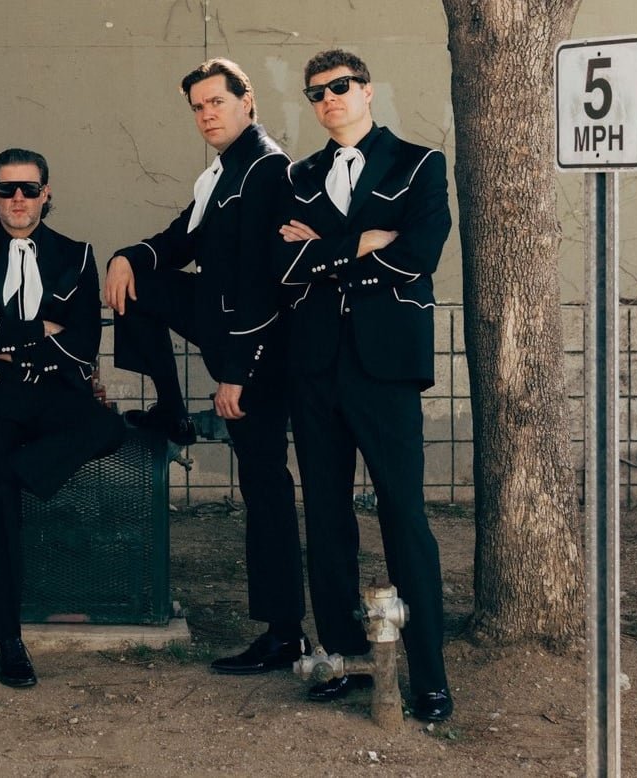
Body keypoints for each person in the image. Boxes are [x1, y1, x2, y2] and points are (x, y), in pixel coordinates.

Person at [104, 58, 310, 675]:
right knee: (137, 282)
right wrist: (127, 255)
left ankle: (284, 632)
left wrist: (236, 373)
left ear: (247, 101)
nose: (206, 115)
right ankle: (171, 411)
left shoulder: (266, 168)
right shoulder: (223, 173)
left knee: (264, 482)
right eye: (197, 107)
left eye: (217, 102)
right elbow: (179, 241)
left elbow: (264, 284)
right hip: (223, 327)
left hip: (259, 352)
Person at [274, 49, 453, 722]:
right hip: (315, 366)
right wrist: (361, 243)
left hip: (387, 366)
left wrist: (324, 252)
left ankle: (429, 675)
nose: (329, 99)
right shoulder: (298, 177)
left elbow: (419, 252)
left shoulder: (418, 163)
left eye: (341, 86)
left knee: (404, 515)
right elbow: (282, 263)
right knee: (325, 517)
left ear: (368, 90)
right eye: (316, 92)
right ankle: (340, 658)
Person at [0, 148, 125, 687]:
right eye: (6, 189)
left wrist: (5, 339)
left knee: (107, 428)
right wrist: (42, 331)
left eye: (28, 188)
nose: (17, 199)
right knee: (0, 507)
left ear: (46, 192)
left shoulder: (75, 254)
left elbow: (83, 343)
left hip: (51, 394)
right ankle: (10, 642)